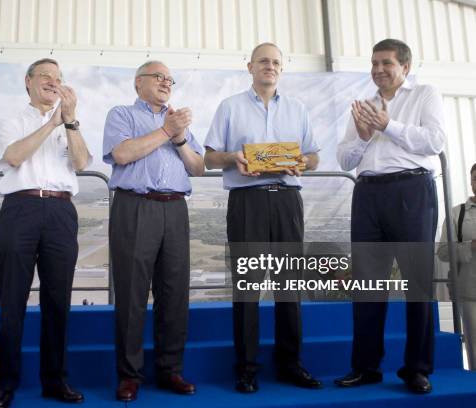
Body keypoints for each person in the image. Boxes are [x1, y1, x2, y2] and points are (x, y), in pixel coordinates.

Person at [204, 42, 321, 393]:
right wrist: (234, 157)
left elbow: (314, 158)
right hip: (247, 201)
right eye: (263, 61)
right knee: (248, 288)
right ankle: (246, 368)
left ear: (281, 69)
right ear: (250, 67)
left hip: (287, 200)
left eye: (275, 62)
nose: (269, 66)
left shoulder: (298, 109)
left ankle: (290, 364)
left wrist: (302, 162)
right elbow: (209, 158)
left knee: (289, 287)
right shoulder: (230, 107)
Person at [335, 39, 446, 393]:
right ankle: (365, 366)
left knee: (417, 282)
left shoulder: (425, 95)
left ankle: (417, 368)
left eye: (386, 63)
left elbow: (435, 141)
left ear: (405, 67)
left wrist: (388, 125)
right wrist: (365, 136)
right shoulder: (364, 106)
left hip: (411, 192)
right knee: (367, 285)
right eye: (374, 63)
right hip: (367, 194)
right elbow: (345, 160)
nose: (378, 69)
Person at [0, 58, 91, 408]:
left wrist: (71, 121)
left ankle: (55, 380)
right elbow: (15, 156)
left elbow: (81, 163)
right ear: (28, 81)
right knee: (12, 301)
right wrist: (52, 123)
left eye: (59, 78)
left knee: (58, 301)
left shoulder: (70, 123)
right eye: (46, 76)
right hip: (21, 208)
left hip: (62, 211)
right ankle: (4, 385)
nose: (53, 82)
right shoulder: (12, 120)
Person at [102, 60, 205, 402]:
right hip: (135, 207)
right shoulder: (122, 115)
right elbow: (122, 153)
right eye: (158, 76)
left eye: (169, 78)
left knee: (174, 294)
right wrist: (164, 131)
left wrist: (178, 139)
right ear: (138, 83)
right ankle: (129, 376)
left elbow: (198, 167)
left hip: (175, 208)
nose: (165, 82)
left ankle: (170, 370)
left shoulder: (179, 122)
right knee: (131, 294)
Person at [438, 163, 476, 369]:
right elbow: (443, 252)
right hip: (470, 293)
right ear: (471, 183)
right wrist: (470, 246)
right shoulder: (456, 214)